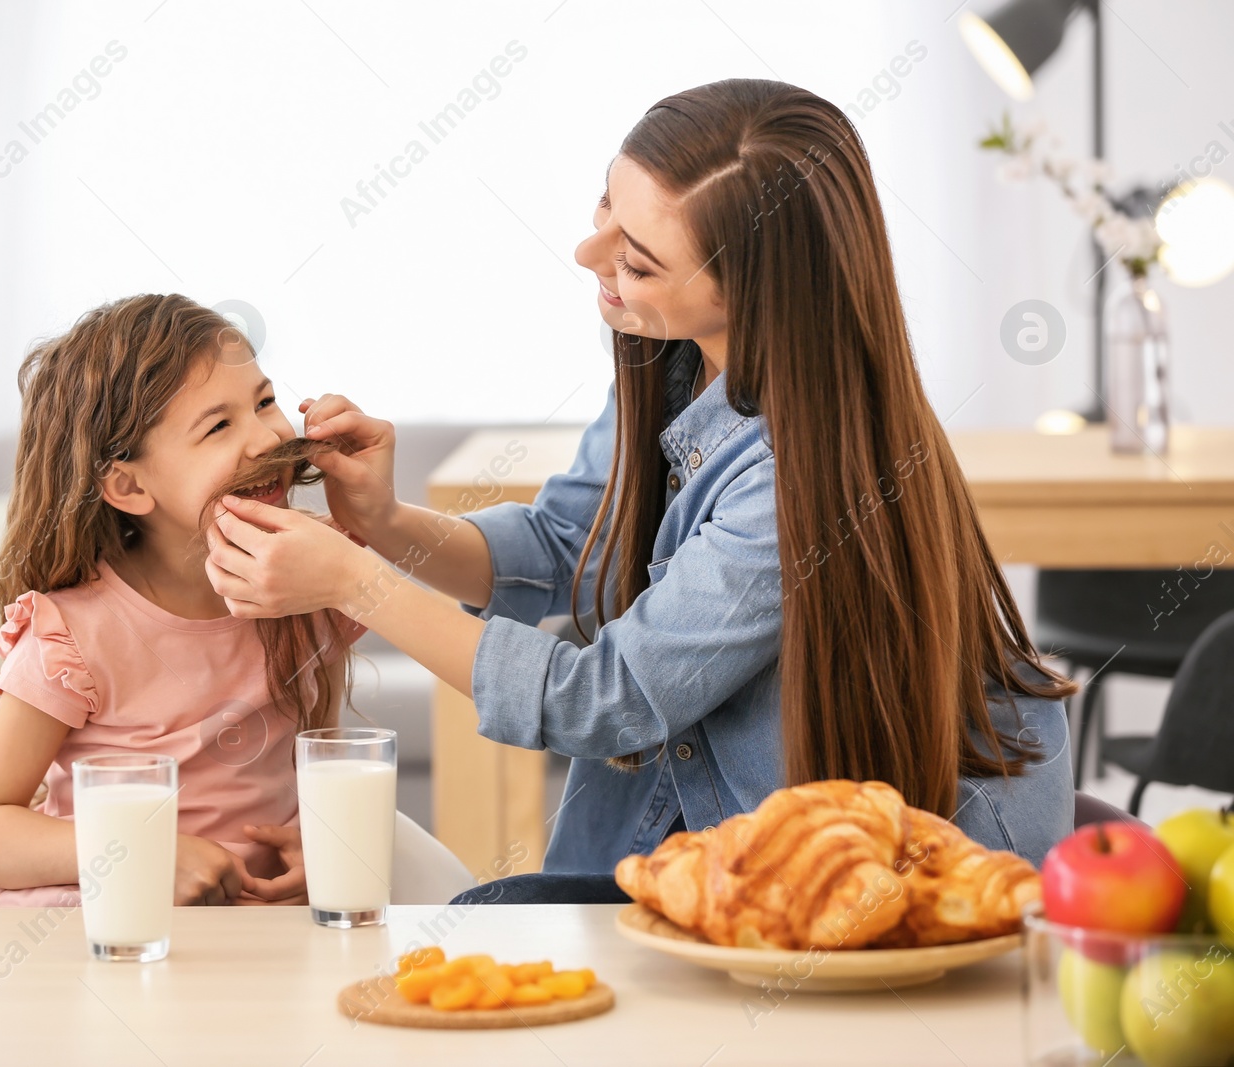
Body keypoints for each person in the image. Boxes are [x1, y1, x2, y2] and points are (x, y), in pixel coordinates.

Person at [202, 79, 1077, 904]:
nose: (588, 255)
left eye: (640, 260)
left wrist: (357, 581)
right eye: (605, 206)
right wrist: (386, 524)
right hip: (709, 836)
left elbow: (605, 700)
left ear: (753, 296)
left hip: (866, 874)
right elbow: (566, 550)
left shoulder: (791, 487)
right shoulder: (677, 358)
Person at [0, 294, 364, 907]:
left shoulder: (307, 589)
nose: (265, 438)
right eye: (219, 426)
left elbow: (312, 761)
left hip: (251, 940)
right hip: (99, 943)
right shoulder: (75, 635)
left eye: (264, 403)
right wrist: (146, 851)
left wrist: (317, 834)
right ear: (129, 485)